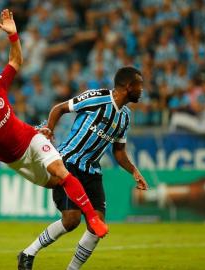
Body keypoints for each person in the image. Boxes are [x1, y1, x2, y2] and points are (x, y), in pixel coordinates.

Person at [0, 8, 108, 240]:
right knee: (56, 182)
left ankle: (93, 219)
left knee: (61, 171)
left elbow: (15, 60)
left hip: (31, 137)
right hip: (16, 161)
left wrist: (13, 36)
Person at [18, 66, 149, 270]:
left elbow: (119, 151)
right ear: (128, 87)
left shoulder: (125, 117)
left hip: (92, 171)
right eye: (139, 86)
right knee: (71, 220)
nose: (142, 90)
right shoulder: (97, 98)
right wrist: (48, 131)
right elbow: (59, 108)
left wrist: (134, 171)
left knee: (98, 226)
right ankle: (28, 253)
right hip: (68, 163)